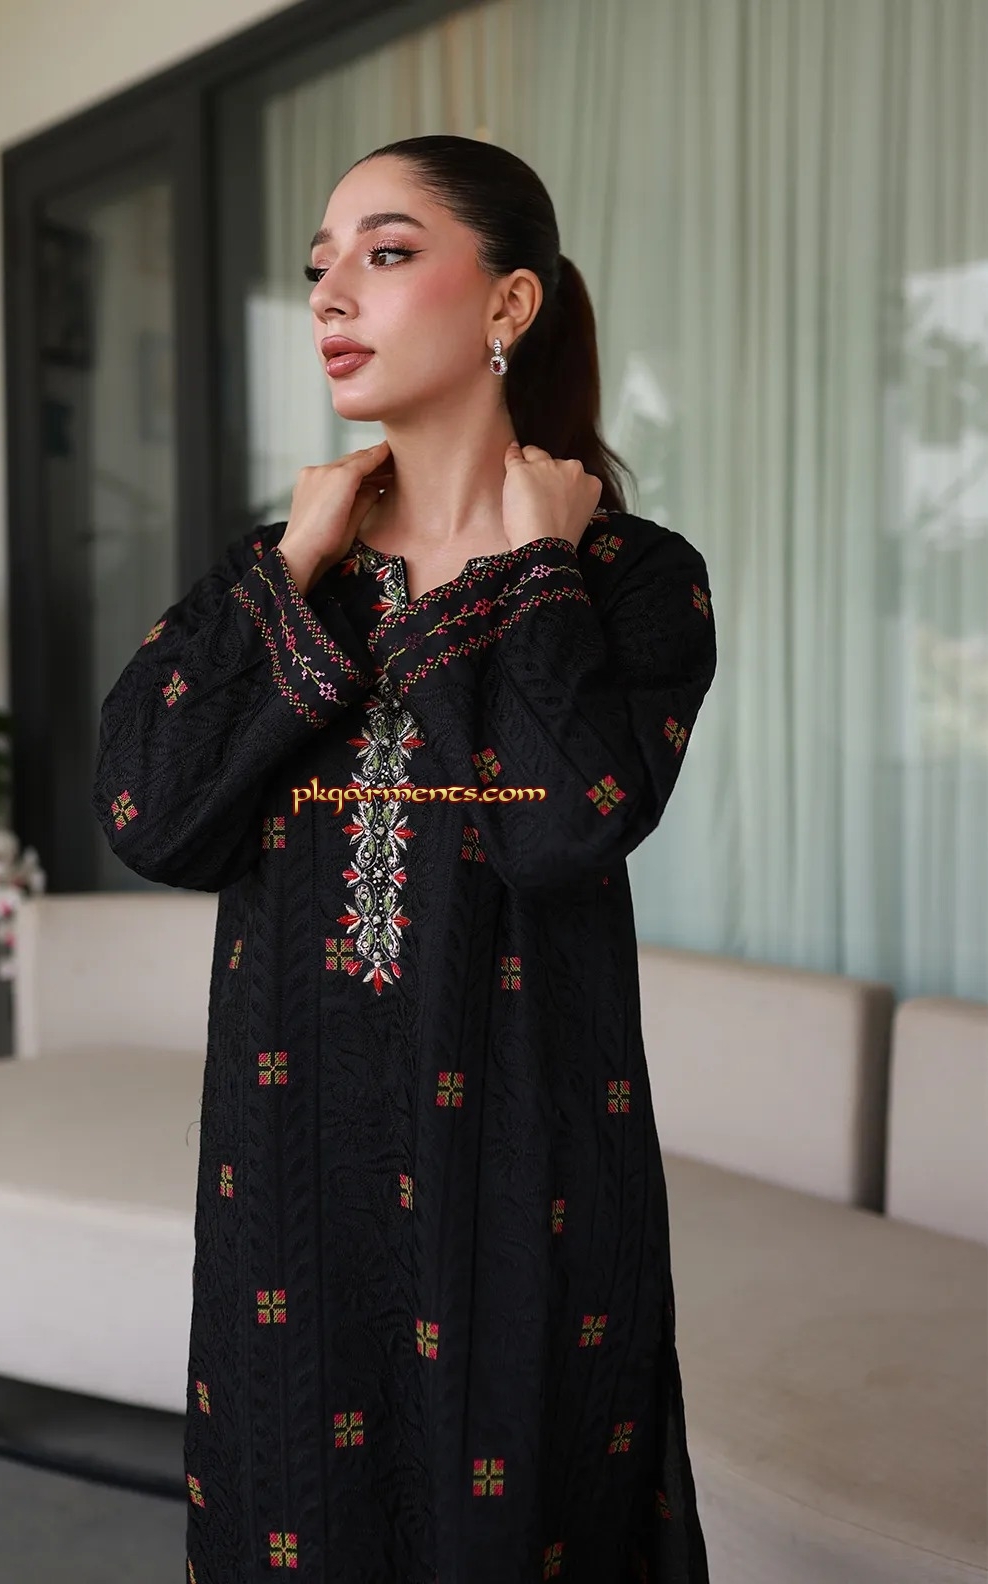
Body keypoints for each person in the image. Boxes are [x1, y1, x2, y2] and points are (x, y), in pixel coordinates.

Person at [92, 133, 716, 1584]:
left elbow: (561, 826)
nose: (329, 294)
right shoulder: (285, 571)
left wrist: (530, 575)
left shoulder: (627, 577)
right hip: (288, 1165)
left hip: (524, 1155)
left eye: (382, 253)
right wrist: (291, 566)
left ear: (508, 303)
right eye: (320, 265)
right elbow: (147, 816)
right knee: (292, 1504)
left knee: (523, 1514)